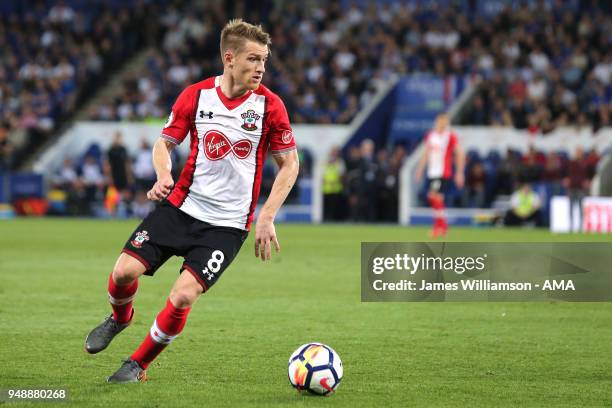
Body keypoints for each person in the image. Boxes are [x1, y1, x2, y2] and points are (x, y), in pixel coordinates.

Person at [84, 19, 299, 383]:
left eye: (264, 60)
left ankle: (138, 365)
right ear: (229, 58)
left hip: (227, 226)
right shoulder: (196, 96)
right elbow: (164, 143)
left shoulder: (270, 107)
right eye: (253, 58)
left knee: (183, 297)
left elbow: (289, 163)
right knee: (122, 272)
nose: (261, 67)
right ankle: (120, 318)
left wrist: (267, 216)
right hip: (181, 207)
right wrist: (164, 175)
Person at [415, 113, 465, 237]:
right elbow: (426, 153)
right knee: (437, 198)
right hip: (432, 171)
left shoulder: (450, 136)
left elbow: (460, 154)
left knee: (433, 196)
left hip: (443, 172)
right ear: (437, 121)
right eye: (440, 120)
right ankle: (442, 227)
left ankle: (440, 226)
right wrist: (420, 169)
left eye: (445, 121)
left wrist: (459, 172)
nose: (442, 123)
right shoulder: (430, 135)